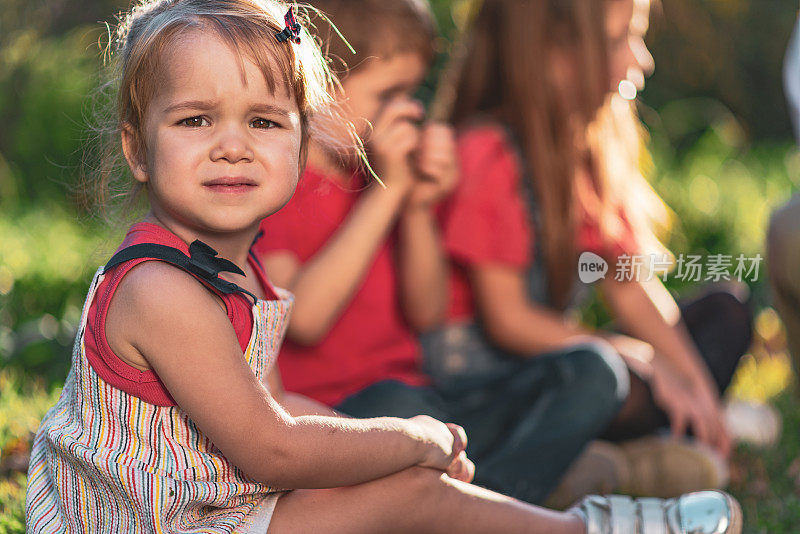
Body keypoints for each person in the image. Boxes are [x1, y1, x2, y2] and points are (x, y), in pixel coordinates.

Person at [24, 0, 743, 532]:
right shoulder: (158, 288)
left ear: (304, 139)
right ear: (137, 148)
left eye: (264, 121)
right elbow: (273, 445)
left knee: (409, 480)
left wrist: (396, 449)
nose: (232, 146)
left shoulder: (235, 274)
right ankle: (586, 526)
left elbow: (279, 408)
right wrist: (407, 439)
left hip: (211, 507)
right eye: (195, 120)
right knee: (410, 488)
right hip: (159, 523)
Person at [254, 0, 629, 506]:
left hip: (429, 401)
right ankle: (505, 499)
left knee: (592, 370)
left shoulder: (378, 178)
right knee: (405, 409)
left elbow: (426, 311)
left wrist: (417, 207)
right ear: (313, 83)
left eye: (413, 93)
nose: (407, 111)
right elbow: (303, 318)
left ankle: (484, 497)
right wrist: (385, 198)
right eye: (387, 93)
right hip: (345, 415)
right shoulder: (279, 189)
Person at [425, 0, 754, 501]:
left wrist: (696, 388)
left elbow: (628, 286)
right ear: (555, 52)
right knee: (605, 376)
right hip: (489, 390)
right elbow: (507, 320)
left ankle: (609, 458)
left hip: (564, 364)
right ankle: (604, 464)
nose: (642, 60)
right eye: (624, 37)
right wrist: (634, 355)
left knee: (725, 314)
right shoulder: (488, 152)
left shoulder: (587, 147)